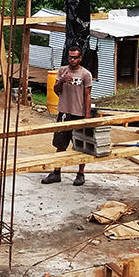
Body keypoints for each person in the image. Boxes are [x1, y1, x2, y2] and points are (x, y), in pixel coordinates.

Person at [42, 46, 93, 186]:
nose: (72, 59)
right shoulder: (62, 71)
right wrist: (62, 80)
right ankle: (56, 172)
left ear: (80, 58)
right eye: (70, 57)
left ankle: (80, 174)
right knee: (60, 144)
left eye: (75, 57)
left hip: (79, 114)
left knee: (81, 146)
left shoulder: (85, 74)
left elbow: (88, 95)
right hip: (64, 112)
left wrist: (87, 116)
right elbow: (56, 90)